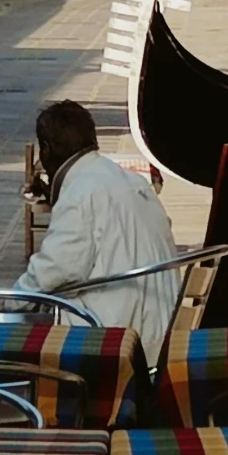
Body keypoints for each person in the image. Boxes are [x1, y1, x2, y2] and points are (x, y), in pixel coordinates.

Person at [16, 98, 182, 362]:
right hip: (162, 335)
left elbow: (54, 271)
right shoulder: (132, 181)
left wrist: (9, 307)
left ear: (45, 150)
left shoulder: (81, 192)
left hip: (120, 343)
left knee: (20, 340)